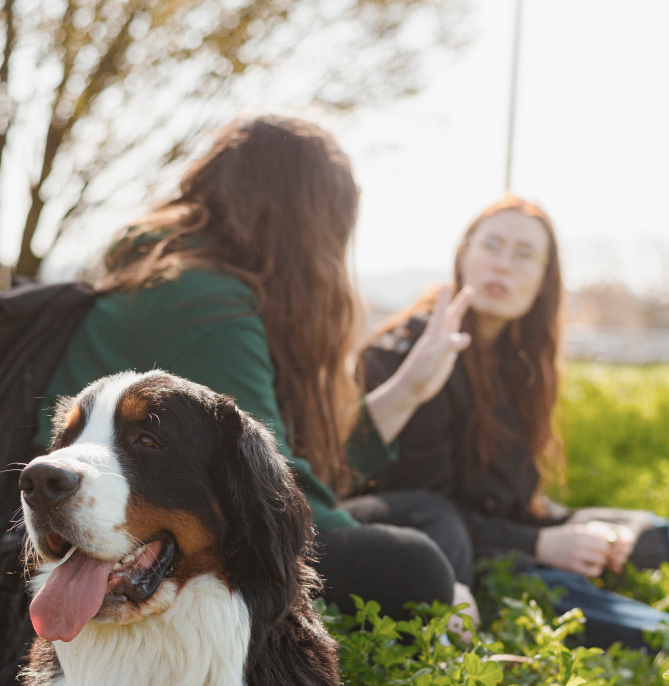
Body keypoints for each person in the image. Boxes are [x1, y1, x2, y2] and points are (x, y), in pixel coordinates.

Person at [36, 115, 476, 623]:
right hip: (82, 518)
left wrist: (411, 387)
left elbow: (285, 467)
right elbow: (273, 495)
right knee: (414, 564)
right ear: (307, 221)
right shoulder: (202, 301)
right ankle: (451, 620)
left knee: (426, 513)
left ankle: (454, 609)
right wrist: (430, 582)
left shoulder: (193, 277)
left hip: (116, 516)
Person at [359, 194, 669, 650]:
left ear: (544, 279)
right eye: (492, 246)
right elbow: (431, 511)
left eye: (525, 255)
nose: (503, 265)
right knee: (626, 621)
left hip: (500, 532)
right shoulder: (415, 352)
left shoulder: (521, 361)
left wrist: (581, 533)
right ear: (463, 255)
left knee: (649, 529)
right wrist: (543, 546)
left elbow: (509, 502)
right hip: (441, 548)